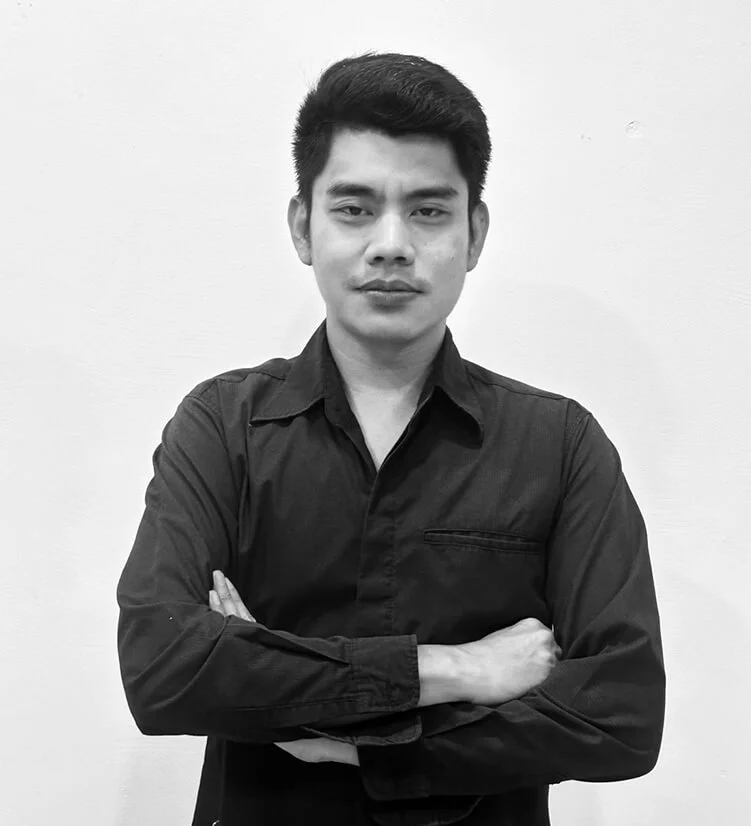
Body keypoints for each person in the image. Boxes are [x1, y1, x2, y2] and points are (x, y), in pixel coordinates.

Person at [116, 52, 665, 826]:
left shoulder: (558, 444)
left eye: (429, 211)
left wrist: (349, 740)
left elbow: (620, 715)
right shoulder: (224, 426)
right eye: (353, 208)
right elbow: (164, 670)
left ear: (474, 234)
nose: (390, 243)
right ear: (303, 226)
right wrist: (454, 670)